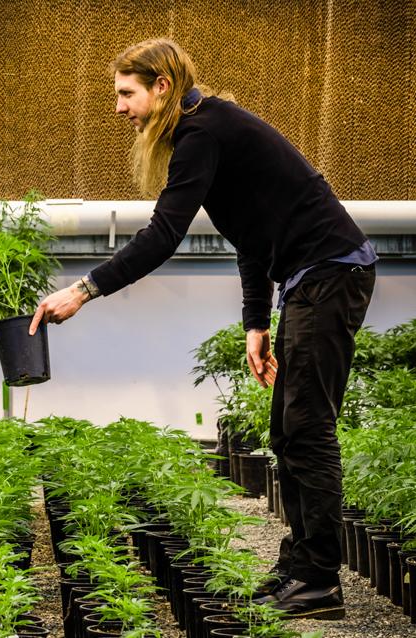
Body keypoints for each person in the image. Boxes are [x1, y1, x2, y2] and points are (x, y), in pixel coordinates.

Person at [30, 39, 375, 619]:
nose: (119, 108)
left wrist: (84, 289)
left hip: (331, 274)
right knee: (288, 432)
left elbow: (163, 235)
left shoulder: (201, 133)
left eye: (126, 94)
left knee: (307, 430)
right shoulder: (206, 130)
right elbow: (252, 236)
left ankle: (319, 581)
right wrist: (255, 325)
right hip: (307, 280)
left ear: (161, 87)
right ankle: (298, 567)